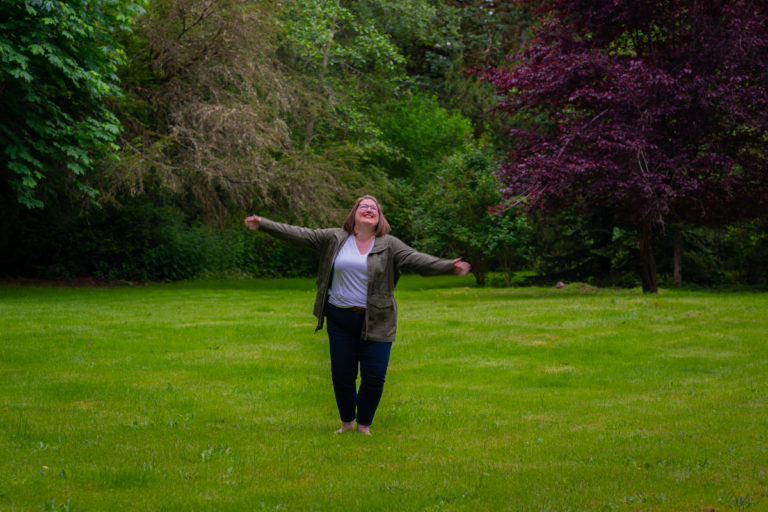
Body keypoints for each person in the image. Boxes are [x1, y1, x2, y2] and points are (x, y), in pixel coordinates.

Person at [244, 195, 470, 435]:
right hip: (340, 318)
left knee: (374, 376)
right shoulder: (334, 238)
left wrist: (448, 266)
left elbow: (417, 260)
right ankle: (347, 422)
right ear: (354, 213)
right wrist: (264, 224)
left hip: (377, 320)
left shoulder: (389, 245)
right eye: (364, 206)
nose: (369, 210)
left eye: (374, 208)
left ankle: (364, 425)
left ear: (379, 217)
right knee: (342, 374)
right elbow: (300, 234)